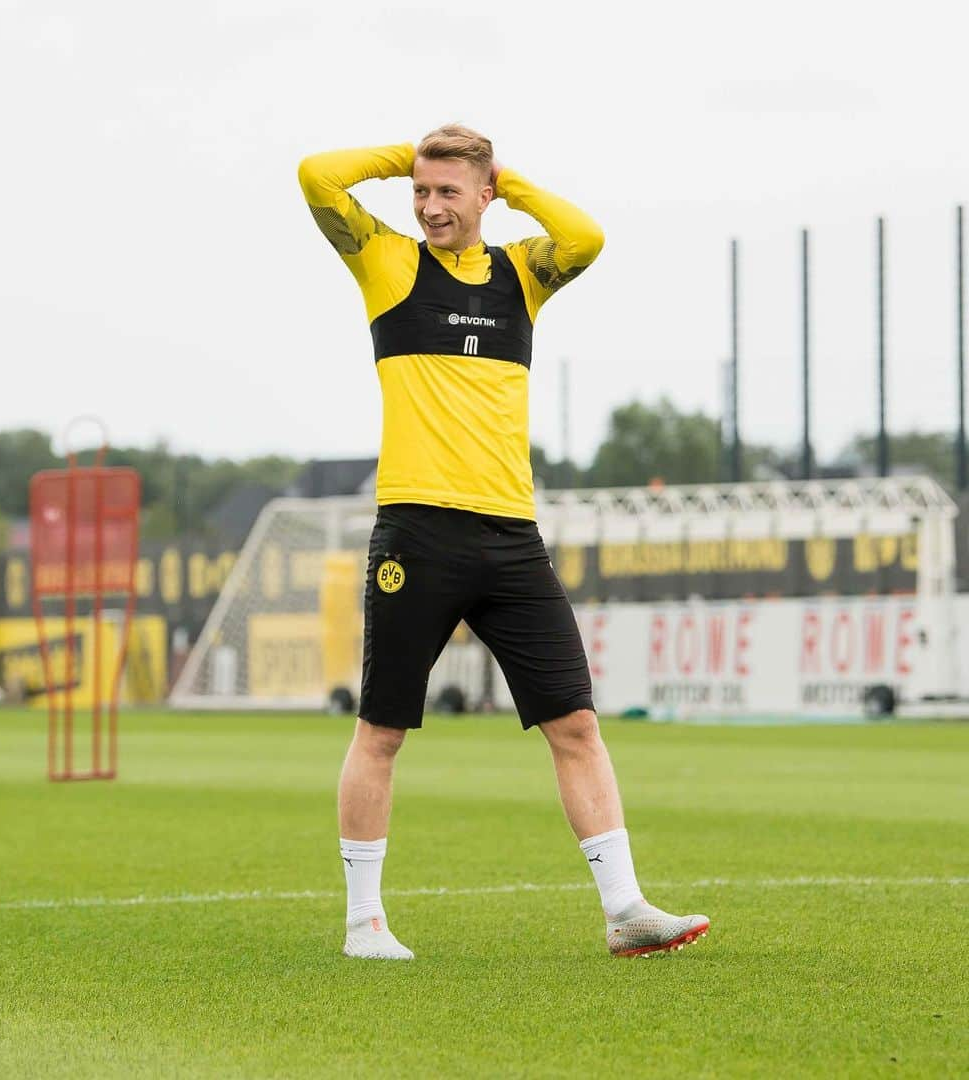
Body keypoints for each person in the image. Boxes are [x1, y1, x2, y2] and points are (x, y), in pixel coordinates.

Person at [298, 125, 709, 960]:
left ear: (484, 195)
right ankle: (362, 923)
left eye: (449, 192)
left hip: (512, 537)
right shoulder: (385, 261)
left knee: (577, 724)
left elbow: (585, 237)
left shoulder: (523, 272)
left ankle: (625, 910)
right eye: (421, 191)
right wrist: (399, 158)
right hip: (416, 530)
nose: (430, 206)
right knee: (381, 730)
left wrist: (505, 179)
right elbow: (315, 177)